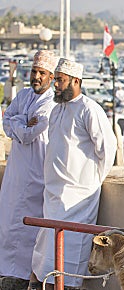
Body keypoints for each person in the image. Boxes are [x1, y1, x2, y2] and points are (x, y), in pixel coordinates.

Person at [29, 58, 117, 289]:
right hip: (54, 194)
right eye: (56, 79)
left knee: (70, 251)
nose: (55, 84)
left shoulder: (90, 109)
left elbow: (107, 149)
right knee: (46, 252)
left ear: (76, 81)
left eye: (60, 80)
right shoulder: (57, 109)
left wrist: (91, 181)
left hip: (78, 198)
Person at [0, 50, 58, 290]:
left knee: (29, 228)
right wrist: (20, 120)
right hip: (15, 172)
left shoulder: (51, 102)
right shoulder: (23, 95)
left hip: (36, 174)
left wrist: (19, 122)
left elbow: (27, 133)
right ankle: (6, 272)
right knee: (8, 221)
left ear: (52, 77)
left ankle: (24, 275)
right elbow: (7, 121)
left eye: (41, 73)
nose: (36, 77)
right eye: (34, 72)